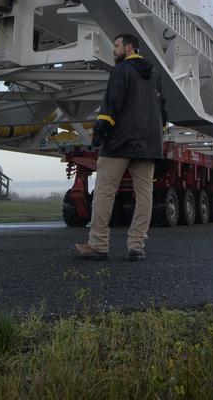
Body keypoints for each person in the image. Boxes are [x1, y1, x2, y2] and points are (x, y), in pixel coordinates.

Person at [73, 33, 165, 262]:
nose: (114, 50)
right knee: (145, 195)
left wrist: (100, 131)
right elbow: (163, 112)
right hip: (148, 145)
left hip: (120, 143)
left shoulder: (121, 70)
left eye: (116, 46)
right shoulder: (155, 75)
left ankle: (98, 245)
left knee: (104, 192)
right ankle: (136, 246)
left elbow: (111, 104)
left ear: (129, 47)